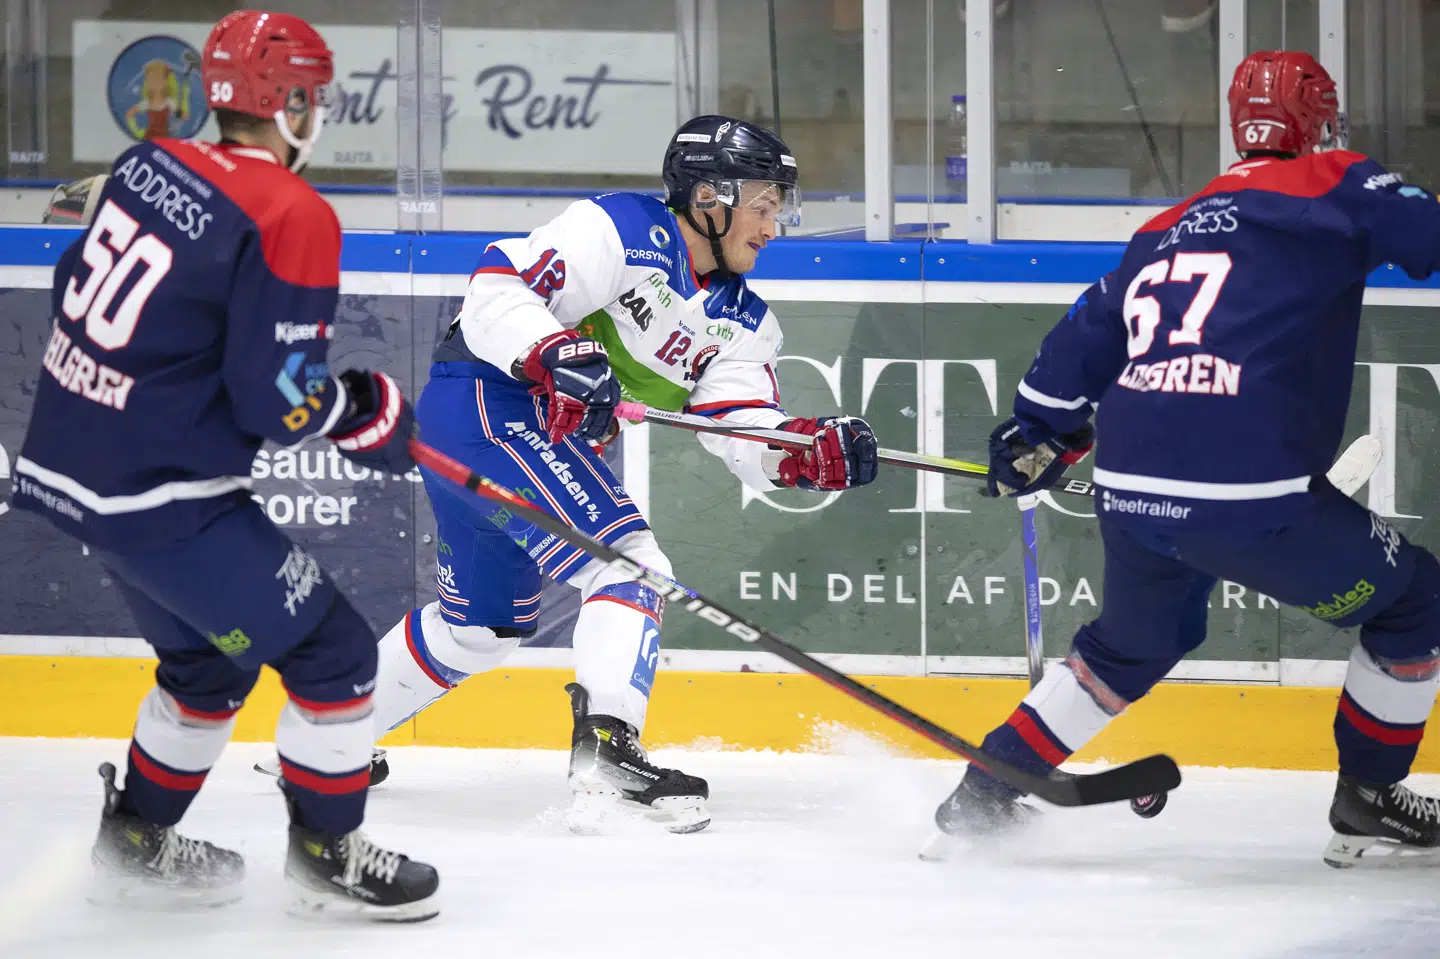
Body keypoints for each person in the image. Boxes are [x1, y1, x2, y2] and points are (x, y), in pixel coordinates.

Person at [929, 50, 1440, 869]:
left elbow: (1081, 344)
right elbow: (1426, 234)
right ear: (1320, 121)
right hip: (1249, 495)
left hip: (1131, 493)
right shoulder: (1334, 181)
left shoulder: (1166, 225)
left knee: (1125, 649)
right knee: (1413, 600)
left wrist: (1037, 434)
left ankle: (985, 792)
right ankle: (1370, 795)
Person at [9, 10, 439, 918]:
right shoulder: (292, 210)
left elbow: (73, 290)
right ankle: (329, 852)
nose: (316, 110)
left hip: (64, 469)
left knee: (207, 668)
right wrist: (365, 418)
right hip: (159, 495)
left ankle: (135, 841)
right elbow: (273, 400)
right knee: (335, 655)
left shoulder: (144, 162)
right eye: (310, 95)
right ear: (285, 104)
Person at [363, 115, 879, 834]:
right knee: (629, 566)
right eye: (764, 204)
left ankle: (326, 732)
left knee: (478, 629)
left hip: (506, 430)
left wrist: (799, 451)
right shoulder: (618, 229)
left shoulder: (745, 322)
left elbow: (737, 427)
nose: (774, 224)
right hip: (488, 401)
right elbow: (495, 288)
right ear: (709, 196)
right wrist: (552, 350)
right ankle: (608, 748)